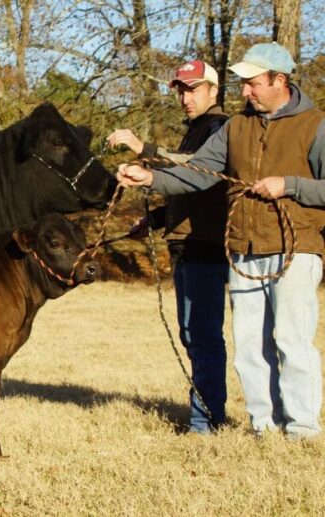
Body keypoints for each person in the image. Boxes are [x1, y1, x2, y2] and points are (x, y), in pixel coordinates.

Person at [117, 42, 325, 439]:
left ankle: (301, 429)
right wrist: (152, 178)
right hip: (243, 249)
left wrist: (290, 185)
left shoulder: (316, 125)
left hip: (296, 247)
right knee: (249, 346)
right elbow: (198, 172)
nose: (245, 91)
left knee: (292, 342)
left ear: (279, 81)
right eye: (243, 83)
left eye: (252, 83)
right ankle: (264, 427)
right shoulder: (236, 127)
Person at [107, 60, 229, 435]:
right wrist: (156, 221)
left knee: (203, 334)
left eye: (193, 89)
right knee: (192, 334)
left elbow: (196, 173)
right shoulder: (195, 130)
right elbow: (185, 190)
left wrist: (143, 150)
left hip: (205, 246)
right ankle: (206, 415)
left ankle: (205, 421)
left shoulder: (220, 128)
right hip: (185, 245)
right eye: (180, 89)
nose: (185, 97)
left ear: (214, 89)